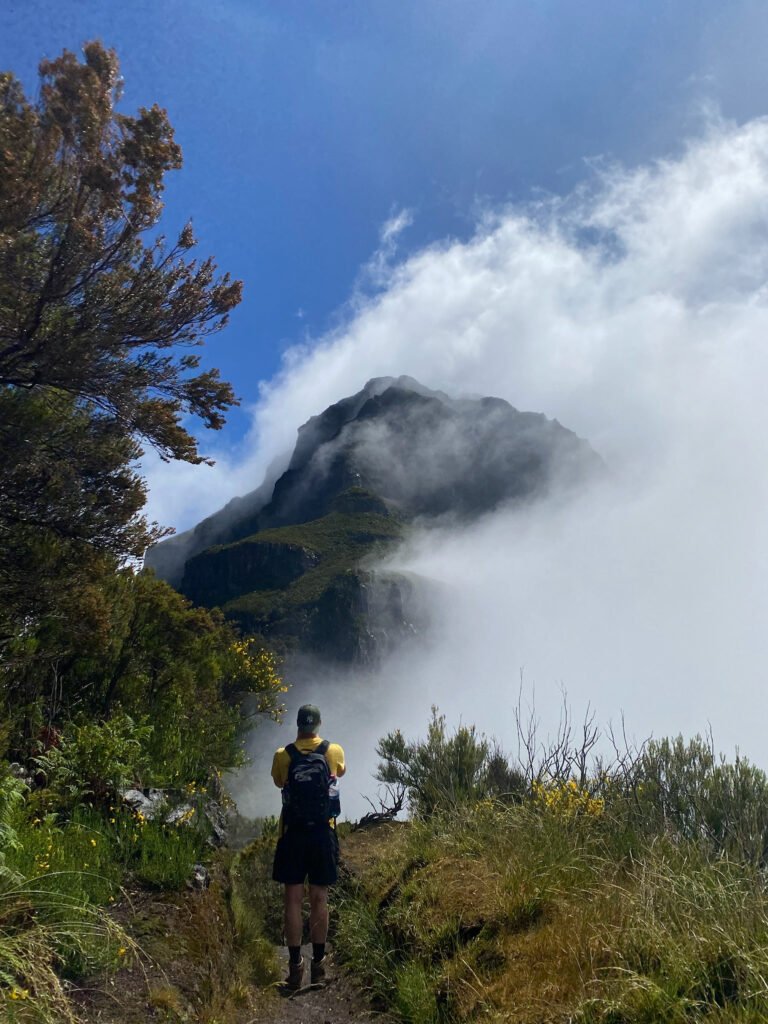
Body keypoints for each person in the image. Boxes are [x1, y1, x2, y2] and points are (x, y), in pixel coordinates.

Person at [271, 703, 346, 990]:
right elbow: (342, 770)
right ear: (318, 725)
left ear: (298, 725)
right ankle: (318, 967)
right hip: (322, 835)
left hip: (292, 834)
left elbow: (279, 781)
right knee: (319, 899)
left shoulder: (283, 755)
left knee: (292, 899)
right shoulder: (333, 751)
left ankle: (294, 969)